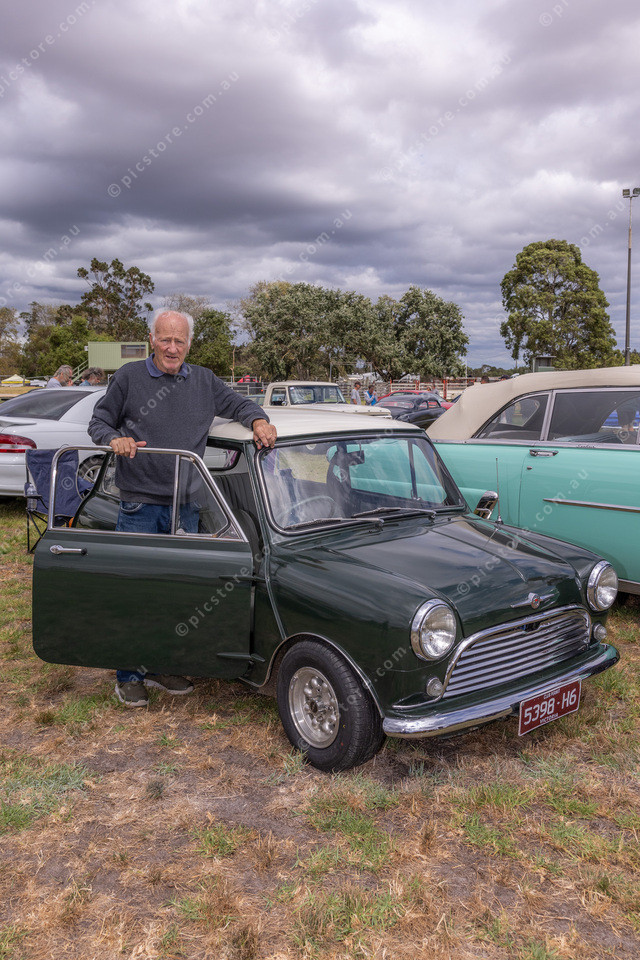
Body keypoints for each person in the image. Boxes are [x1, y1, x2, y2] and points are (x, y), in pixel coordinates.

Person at [88, 309, 277, 708]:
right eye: (165, 339)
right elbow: (99, 422)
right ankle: (129, 676)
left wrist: (259, 420)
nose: (172, 348)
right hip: (140, 504)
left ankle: (162, 666)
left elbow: (239, 405)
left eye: (179, 340)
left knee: (177, 594)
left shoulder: (205, 380)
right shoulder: (129, 377)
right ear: (152, 340)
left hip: (187, 506)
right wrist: (114, 439)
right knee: (138, 591)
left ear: (189, 343)